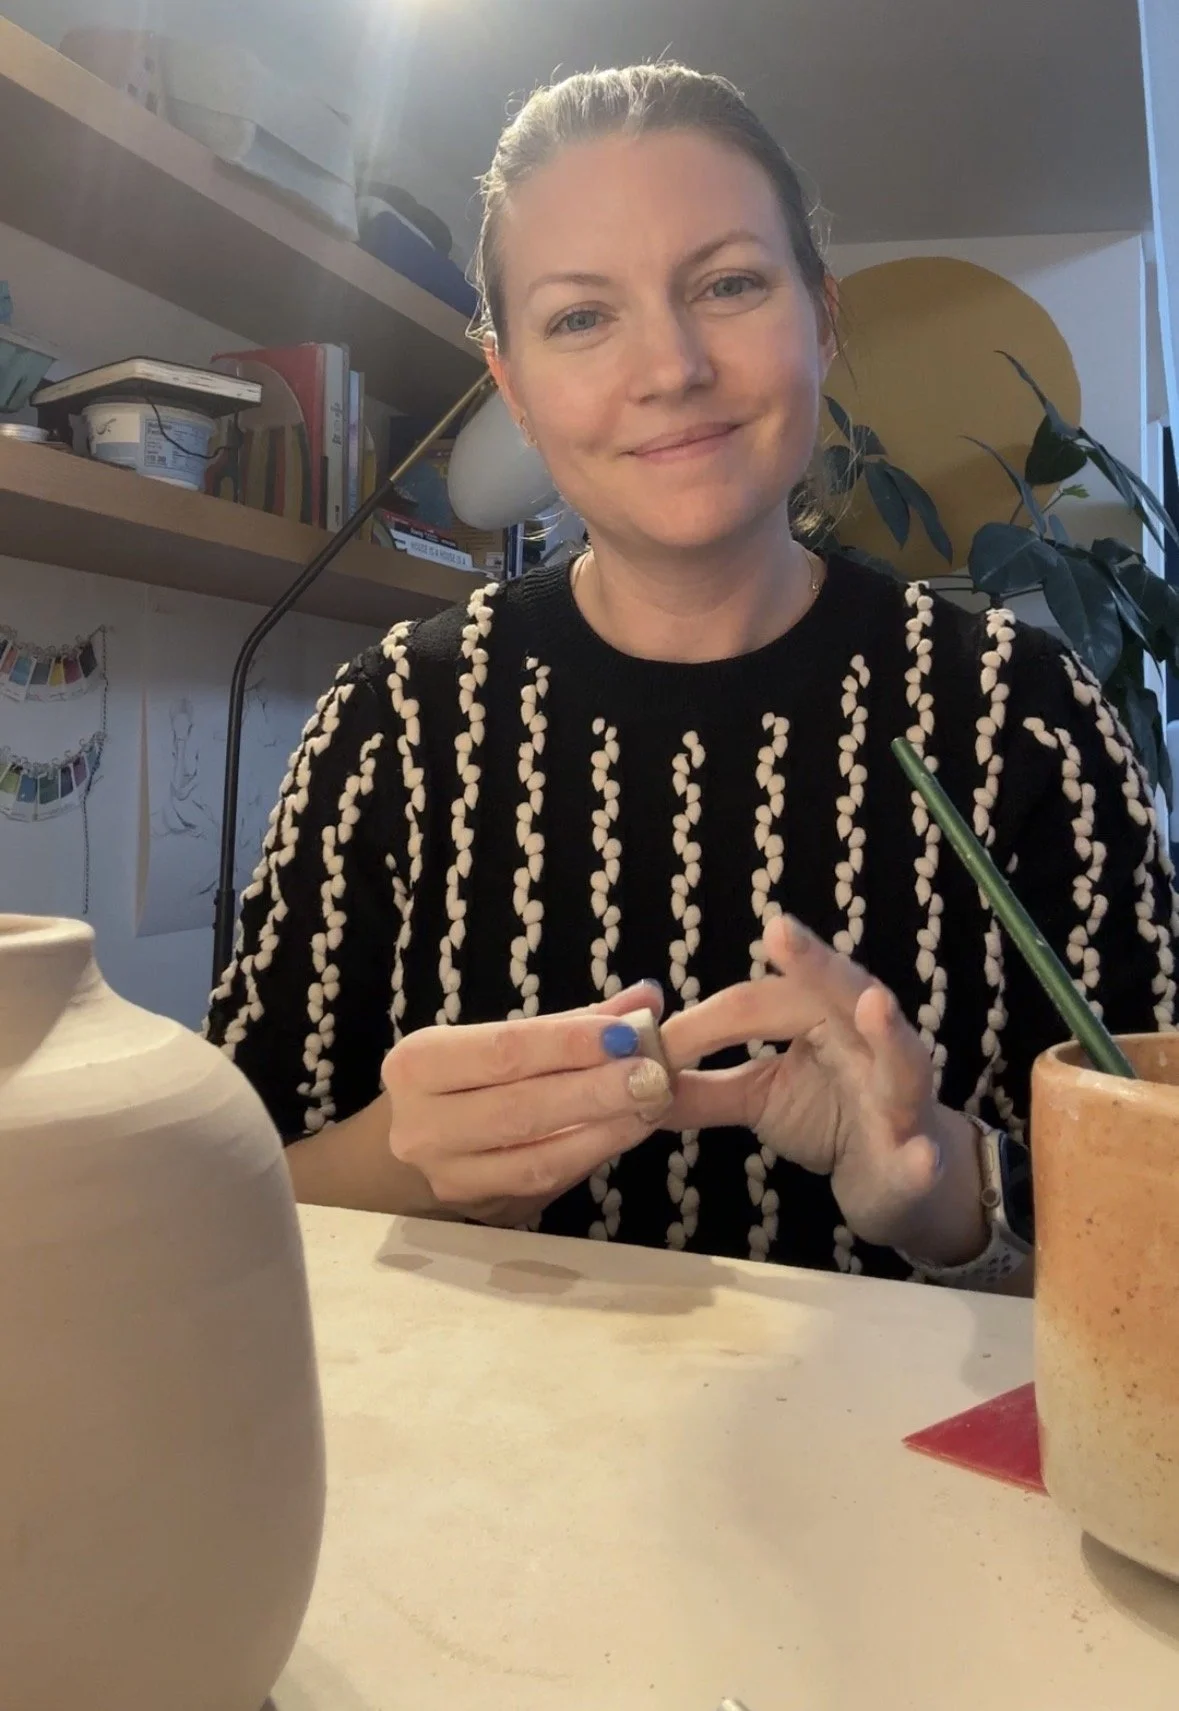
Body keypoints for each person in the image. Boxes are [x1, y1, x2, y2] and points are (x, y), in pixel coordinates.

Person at [206, 63, 1176, 1287]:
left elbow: (1157, 1235)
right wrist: (413, 1162)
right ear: (511, 383)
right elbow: (219, 1202)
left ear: (822, 318)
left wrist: (941, 1188)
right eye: (579, 317)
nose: (669, 367)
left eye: (727, 284)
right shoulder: (395, 721)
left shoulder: (1024, 722)